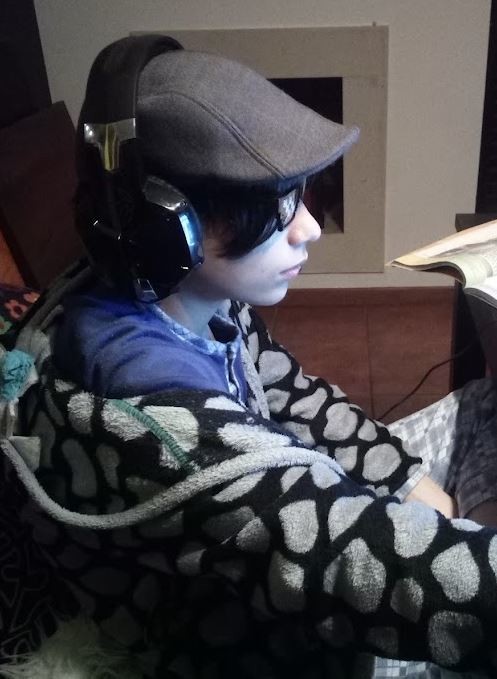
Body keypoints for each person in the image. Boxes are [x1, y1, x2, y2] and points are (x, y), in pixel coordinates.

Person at [3, 33, 497, 679]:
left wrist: (424, 495)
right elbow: (350, 563)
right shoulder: (158, 429)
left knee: (486, 404)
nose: (309, 228)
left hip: (284, 543)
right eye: (271, 209)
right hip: (266, 642)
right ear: (166, 230)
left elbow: (294, 396)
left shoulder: (185, 294)